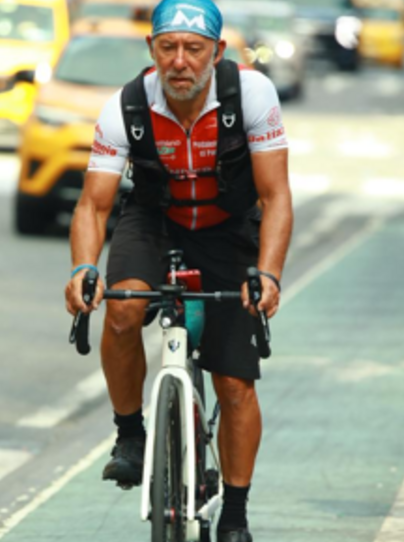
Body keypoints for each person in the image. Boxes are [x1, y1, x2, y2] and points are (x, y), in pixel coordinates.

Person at [63, 0, 293, 540]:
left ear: (217, 51)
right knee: (120, 309)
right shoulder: (125, 107)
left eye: (193, 49)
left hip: (229, 227)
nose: (180, 62)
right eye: (168, 47)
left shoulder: (251, 95)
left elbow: (276, 196)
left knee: (234, 381)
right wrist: (82, 268)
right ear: (152, 51)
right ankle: (129, 436)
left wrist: (269, 273)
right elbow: (93, 206)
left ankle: (235, 515)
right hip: (155, 220)